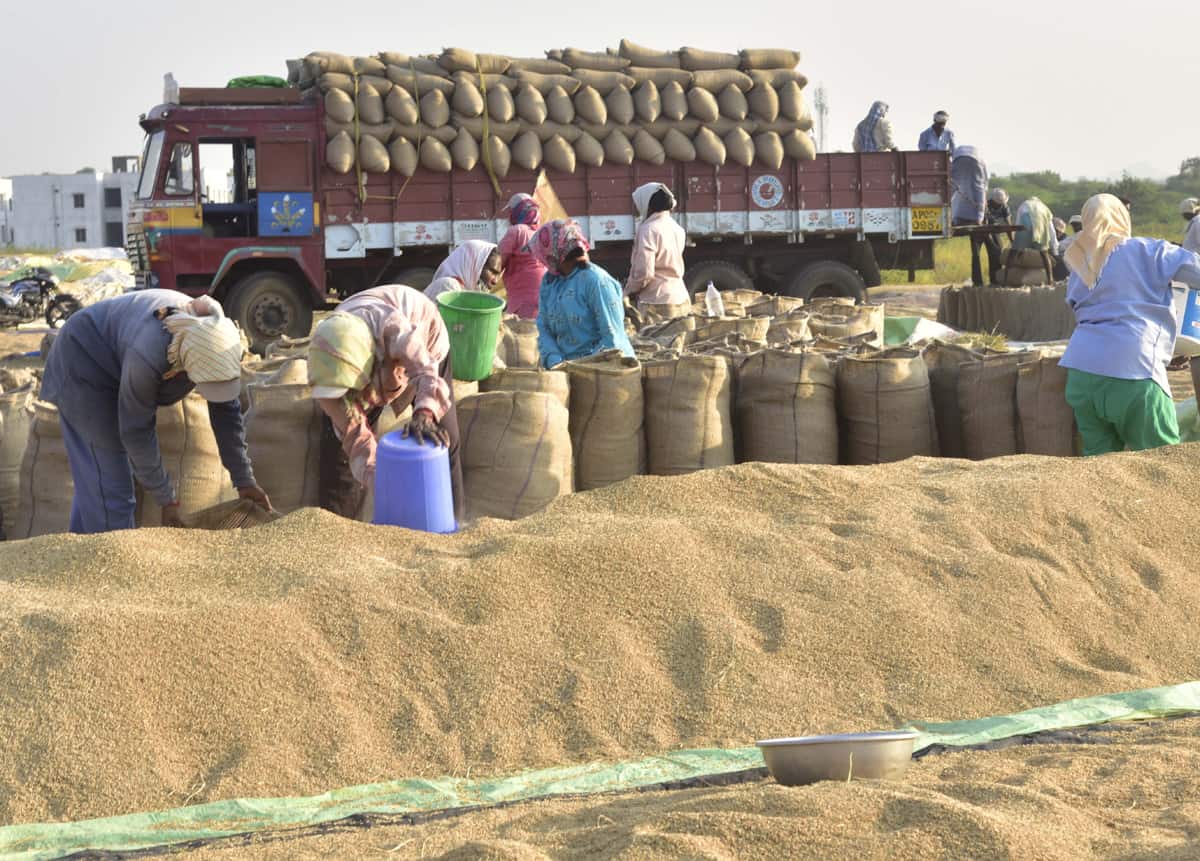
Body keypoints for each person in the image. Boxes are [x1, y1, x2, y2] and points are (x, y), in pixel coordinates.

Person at [39, 290, 270, 533]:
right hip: (82, 362)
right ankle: (111, 564)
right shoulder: (149, 354)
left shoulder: (215, 340)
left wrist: (244, 480)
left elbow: (227, 416)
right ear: (184, 365)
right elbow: (136, 430)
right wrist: (166, 498)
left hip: (117, 354)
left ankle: (81, 551)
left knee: (98, 482)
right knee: (111, 487)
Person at [1060, 193, 1200, 455]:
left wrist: (1164, 354)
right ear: (1122, 218)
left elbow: (1089, 314)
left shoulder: (1079, 263)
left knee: (1102, 466)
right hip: (1135, 369)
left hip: (1081, 374)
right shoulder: (1148, 250)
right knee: (1163, 462)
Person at [308, 284, 463, 519]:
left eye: (352, 392)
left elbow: (427, 373)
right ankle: (339, 528)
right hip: (366, 359)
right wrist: (382, 480)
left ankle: (453, 520)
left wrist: (425, 414)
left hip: (425, 338)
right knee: (338, 453)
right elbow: (356, 437)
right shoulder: (327, 362)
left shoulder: (397, 332)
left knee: (442, 438)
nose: (349, 400)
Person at [531, 219, 635, 368]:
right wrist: (555, 360)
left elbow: (611, 338)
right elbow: (543, 326)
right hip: (564, 368)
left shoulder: (597, 282)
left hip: (603, 369)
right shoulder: (550, 282)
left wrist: (581, 367)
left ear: (554, 255)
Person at [625, 182, 689, 311]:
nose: (635, 208)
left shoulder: (648, 230)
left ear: (647, 204)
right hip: (681, 298)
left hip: (657, 302)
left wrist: (627, 292)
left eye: (637, 203)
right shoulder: (677, 228)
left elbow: (644, 273)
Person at [496, 194, 546, 319]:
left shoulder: (516, 231)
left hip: (524, 300)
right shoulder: (541, 234)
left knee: (523, 334)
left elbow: (496, 263)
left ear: (518, 211)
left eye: (510, 211)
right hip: (546, 296)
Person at [950, 146, 989, 285]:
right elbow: (983, 188)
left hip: (958, 159)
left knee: (955, 188)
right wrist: (980, 216)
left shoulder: (960, 154)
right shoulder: (982, 162)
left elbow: (952, 188)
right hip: (973, 160)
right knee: (978, 186)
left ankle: (952, 217)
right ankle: (976, 218)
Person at [423, 240, 501, 302]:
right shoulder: (449, 286)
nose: (496, 281)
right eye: (493, 272)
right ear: (474, 264)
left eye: (499, 275)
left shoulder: (465, 290)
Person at [1010, 196, 1059, 283]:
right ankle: (1050, 279)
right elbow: (1051, 229)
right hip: (1040, 229)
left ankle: (1007, 278)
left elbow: (1018, 222)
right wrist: (1055, 249)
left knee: (1013, 253)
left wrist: (1016, 242)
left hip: (1025, 225)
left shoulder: (1024, 204)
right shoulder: (1044, 208)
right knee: (1044, 254)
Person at [982, 187, 1012, 284]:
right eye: (997, 203)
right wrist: (990, 239)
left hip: (995, 230)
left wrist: (1012, 240)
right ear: (993, 201)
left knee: (999, 252)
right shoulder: (986, 205)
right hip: (983, 229)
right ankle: (993, 280)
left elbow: (1008, 224)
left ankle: (997, 279)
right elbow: (984, 222)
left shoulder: (1005, 207)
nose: (999, 205)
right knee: (993, 253)